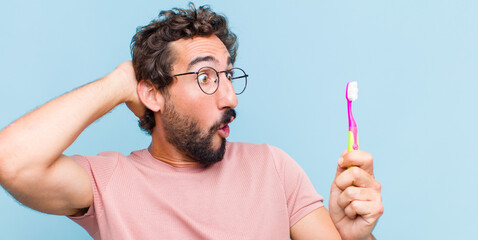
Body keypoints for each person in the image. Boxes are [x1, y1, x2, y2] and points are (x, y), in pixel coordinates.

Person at [0, 3, 383, 240]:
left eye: (229, 75)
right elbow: (11, 161)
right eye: (205, 78)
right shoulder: (110, 183)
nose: (230, 97)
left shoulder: (274, 169)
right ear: (152, 94)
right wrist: (118, 83)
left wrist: (357, 237)